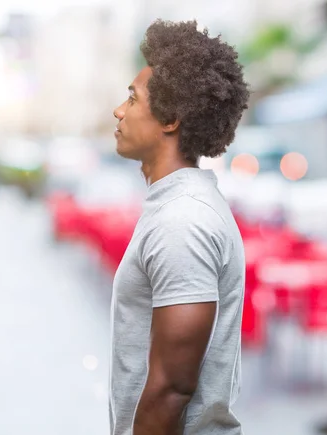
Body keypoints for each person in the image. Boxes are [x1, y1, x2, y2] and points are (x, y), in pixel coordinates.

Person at [109, 20, 250, 435]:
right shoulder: (174, 206)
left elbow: (172, 388)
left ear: (169, 119)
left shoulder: (182, 220)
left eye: (132, 99)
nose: (119, 110)